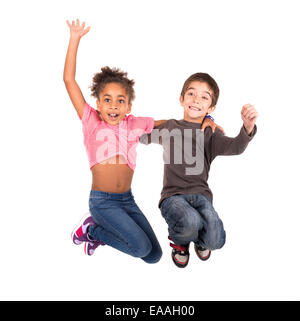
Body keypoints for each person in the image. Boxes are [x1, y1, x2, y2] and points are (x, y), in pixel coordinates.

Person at [63, 19, 164, 263]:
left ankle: (98, 235)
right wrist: (75, 38)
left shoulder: (134, 123)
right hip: (102, 201)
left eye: (121, 100)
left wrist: (205, 120)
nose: (114, 105)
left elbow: (168, 124)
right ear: (98, 104)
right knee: (139, 248)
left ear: (129, 106)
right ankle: (92, 230)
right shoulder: (91, 121)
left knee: (154, 256)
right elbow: (68, 80)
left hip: (127, 199)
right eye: (107, 99)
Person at [140, 72, 258, 268]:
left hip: (201, 196)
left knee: (216, 240)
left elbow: (236, 147)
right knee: (189, 221)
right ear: (181, 99)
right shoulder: (170, 127)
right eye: (191, 94)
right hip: (172, 196)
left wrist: (247, 127)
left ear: (211, 107)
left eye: (204, 97)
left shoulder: (211, 132)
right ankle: (180, 243)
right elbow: (141, 135)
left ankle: (202, 241)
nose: (196, 100)